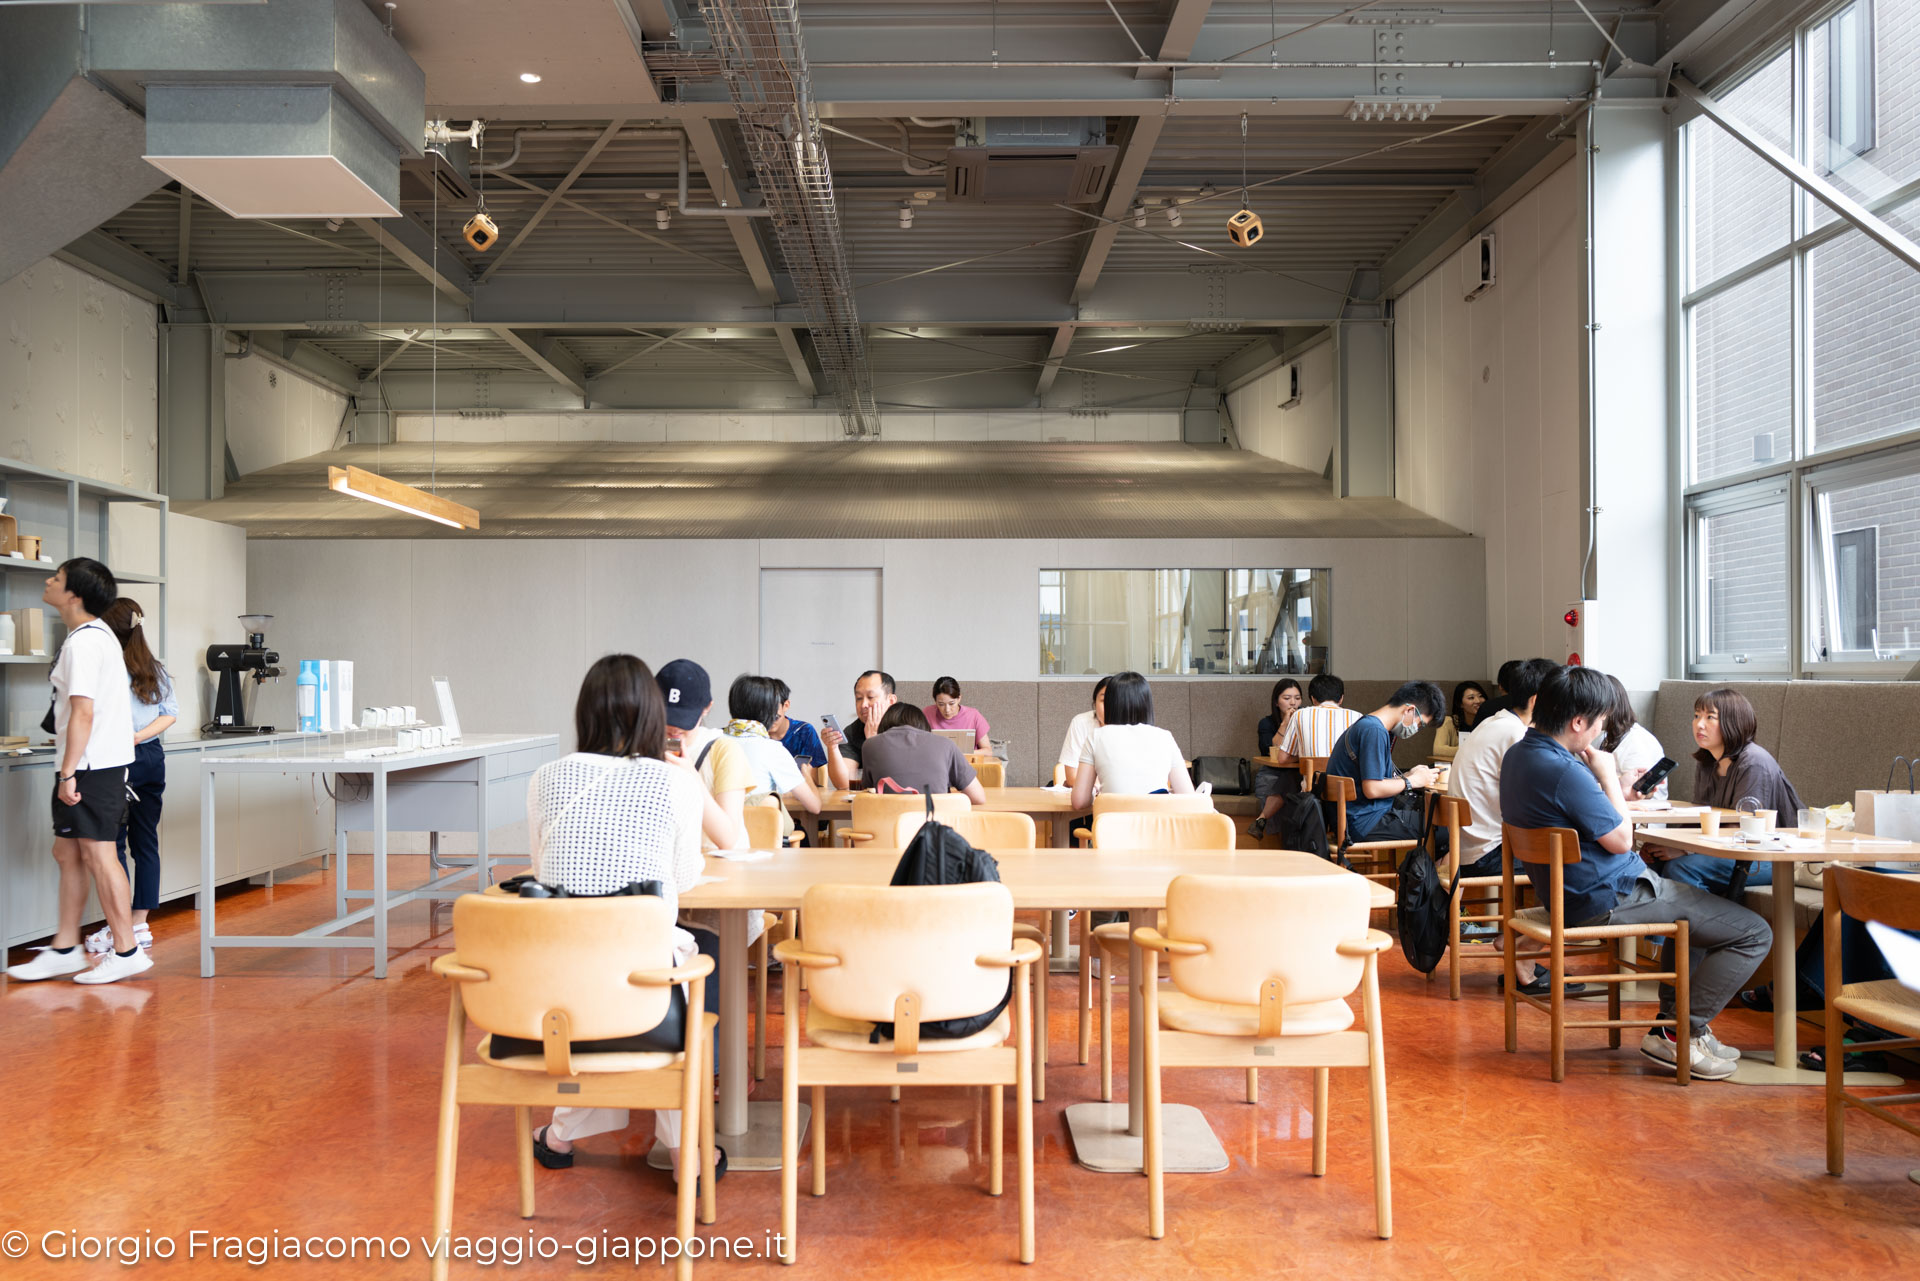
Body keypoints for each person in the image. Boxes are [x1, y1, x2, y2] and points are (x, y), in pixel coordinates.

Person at [515, 655, 736, 1176]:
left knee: (607, 969)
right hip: (643, 991)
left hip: (555, 989)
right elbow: (679, 882)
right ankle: (688, 1152)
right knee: (682, 958)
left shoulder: (545, 778)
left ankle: (561, 1136)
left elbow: (542, 872)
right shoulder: (673, 783)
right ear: (652, 716)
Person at [1499, 666, 1770, 1080]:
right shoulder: (1565, 770)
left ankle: (1678, 1027)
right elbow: (1622, 840)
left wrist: (1604, 788)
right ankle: (1679, 1032)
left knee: (1698, 913)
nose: (1601, 732)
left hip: (1571, 894)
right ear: (1578, 722)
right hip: (1610, 896)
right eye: (1601, 723)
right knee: (1754, 933)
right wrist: (1607, 776)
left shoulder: (1520, 755)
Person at [5, 559, 146, 984]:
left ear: (74, 595)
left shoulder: (83, 643)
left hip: (90, 767)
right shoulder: (93, 636)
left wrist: (68, 773)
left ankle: (127, 950)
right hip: (89, 763)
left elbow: (83, 712)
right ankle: (65, 947)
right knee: (67, 852)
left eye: (57, 578)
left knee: (100, 855)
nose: (48, 581)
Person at [1445, 658, 1558, 966]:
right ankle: (1523, 955)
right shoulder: (1517, 736)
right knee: (1569, 867)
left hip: (1467, 847)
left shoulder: (1494, 722)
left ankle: (1519, 941)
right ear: (1538, 701)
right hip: (1487, 853)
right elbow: (1538, 801)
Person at [82, 599, 177, 956]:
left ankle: (119, 928)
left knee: (113, 845)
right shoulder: (154, 667)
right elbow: (171, 713)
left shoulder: (106, 667)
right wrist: (141, 736)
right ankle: (140, 924)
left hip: (116, 759)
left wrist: (127, 739)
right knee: (146, 842)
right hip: (151, 757)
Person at [1648, 688, 1798, 895]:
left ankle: (1717, 925)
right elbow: (1699, 817)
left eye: (1710, 717)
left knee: (1681, 867)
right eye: (1696, 716)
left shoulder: (1754, 763)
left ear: (1733, 722)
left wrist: (1685, 849)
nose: (1699, 724)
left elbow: (1743, 827)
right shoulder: (1707, 761)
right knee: (1650, 864)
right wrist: (1663, 843)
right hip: (1729, 850)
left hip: (1770, 855)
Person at [1323, 680, 1444, 844]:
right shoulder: (1374, 731)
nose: (1417, 729)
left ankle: (1424, 869)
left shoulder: (1371, 726)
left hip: (1357, 818)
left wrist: (1407, 775)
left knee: (1440, 819)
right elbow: (1372, 789)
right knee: (1445, 827)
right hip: (1364, 822)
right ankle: (1427, 870)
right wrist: (1412, 781)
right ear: (1409, 710)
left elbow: (1374, 782)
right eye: (1420, 724)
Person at [655, 658, 750, 853]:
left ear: (707, 708)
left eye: (684, 719)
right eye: (667, 717)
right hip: (667, 864)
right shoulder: (643, 746)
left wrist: (691, 776)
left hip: (720, 865)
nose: (674, 728)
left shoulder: (724, 750)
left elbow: (728, 839)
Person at [1070, 672, 1192, 810]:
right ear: (1147, 705)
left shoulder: (1096, 736)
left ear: (1111, 705)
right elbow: (1188, 797)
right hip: (1156, 829)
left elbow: (1079, 802)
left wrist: (1093, 793)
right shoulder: (1165, 737)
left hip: (1111, 829)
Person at [723, 675, 820, 831]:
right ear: (768, 712)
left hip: (716, 837)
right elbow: (814, 806)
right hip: (763, 840)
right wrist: (806, 774)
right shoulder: (772, 749)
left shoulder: (711, 740)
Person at [859, 704, 988, 802]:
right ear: (923, 725)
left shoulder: (870, 745)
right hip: (934, 832)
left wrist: (871, 739)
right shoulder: (946, 745)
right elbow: (978, 797)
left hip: (887, 832)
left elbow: (867, 792)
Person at [1247, 678, 1303, 839]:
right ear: (1276, 702)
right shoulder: (1266, 723)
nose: (1292, 703)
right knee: (1287, 780)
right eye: (1287, 698)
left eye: (1297, 698)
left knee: (1292, 778)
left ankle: (1261, 820)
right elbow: (1270, 750)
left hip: (1299, 773)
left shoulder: (1307, 719)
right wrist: (1285, 723)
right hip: (1272, 772)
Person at [823, 669, 896, 791]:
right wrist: (832, 747)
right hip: (865, 804)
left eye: (870, 697)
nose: (863, 705)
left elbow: (899, 778)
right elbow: (843, 784)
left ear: (891, 701)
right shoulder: (853, 732)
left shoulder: (905, 726)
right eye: (858, 698)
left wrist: (873, 740)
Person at [1599, 674, 1669, 801]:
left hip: (1642, 816)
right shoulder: (1605, 738)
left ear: (1609, 708)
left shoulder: (1636, 742)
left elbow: (1638, 796)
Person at [1270, 672, 1361, 768]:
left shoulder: (1300, 715)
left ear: (1313, 698)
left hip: (1315, 781)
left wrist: (1305, 756)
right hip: (1349, 782)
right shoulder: (1358, 717)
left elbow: (1282, 758)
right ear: (1341, 698)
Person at [1055, 676, 1109, 789]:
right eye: (1104, 701)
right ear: (1095, 703)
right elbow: (1072, 777)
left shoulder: (1130, 729)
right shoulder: (1081, 723)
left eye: (1115, 702)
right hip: (1086, 795)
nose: (1109, 707)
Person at [768, 679, 827, 773]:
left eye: (775, 717)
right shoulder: (756, 734)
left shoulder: (804, 731)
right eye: (763, 716)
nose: (769, 721)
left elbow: (814, 778)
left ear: (786, 705)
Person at [923, 676, 991, 750]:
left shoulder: (973, 715)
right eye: (941, 704)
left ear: (959, 698)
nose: (947, 710)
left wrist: (962, 755)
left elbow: (987, 751)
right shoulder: (927, 713)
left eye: (951, 703)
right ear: (935, 701)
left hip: (966, 760)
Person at [1431, 680, 1489, 761]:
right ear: (1460, 703)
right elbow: (1438, 750)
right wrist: (1473, 750)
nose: (1478, 701)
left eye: (1480, 696)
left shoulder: (1489, 722)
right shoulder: (1449, 722)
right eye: (1471, 698)